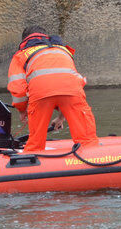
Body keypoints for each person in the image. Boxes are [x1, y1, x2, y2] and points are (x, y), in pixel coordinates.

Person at [7, 25, 99, 153]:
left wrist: (22, 110)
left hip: (40, 94)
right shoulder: (63, 50)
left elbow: (18, 88)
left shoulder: (21, 55)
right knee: (87, 140)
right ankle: (96, 160)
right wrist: (61, 118)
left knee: (36, 144)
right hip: (72, 91)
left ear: (24, 41)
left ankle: (33, 162)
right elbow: (64, 83)